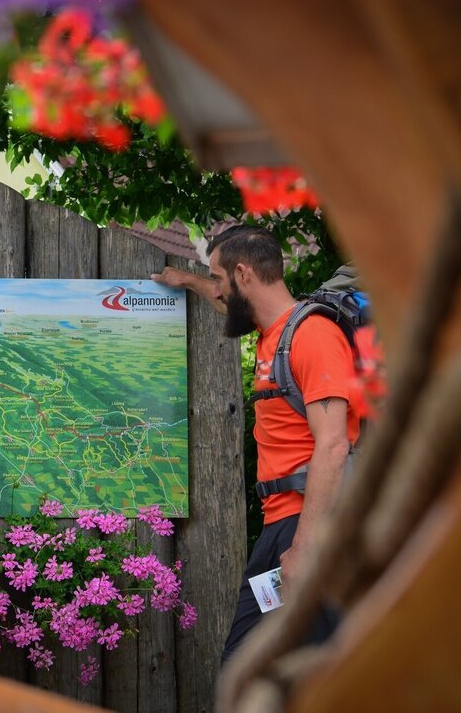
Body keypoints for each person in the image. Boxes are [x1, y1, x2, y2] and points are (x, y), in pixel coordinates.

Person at [152, 225, 358, 662]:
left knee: (264, 669)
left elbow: (334, 446)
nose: (218, 290)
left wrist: (304, 547)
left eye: (220, 279)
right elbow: (225, 304)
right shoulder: (273, 336)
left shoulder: (312, 336)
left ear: (244, 274)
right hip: (282, 526)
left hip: (310, 525)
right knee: (265, 668)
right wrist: (189, 281)